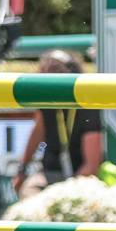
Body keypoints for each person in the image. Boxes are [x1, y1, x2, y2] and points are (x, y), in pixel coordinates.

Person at [16, 49, 105, 191]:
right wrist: (22, 169)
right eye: (45, 75)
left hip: (81, 179)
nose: (50, 80)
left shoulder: (88, 107)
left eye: (56, 72)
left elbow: (92, 165)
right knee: (29, 191)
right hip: (49, 173)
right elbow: (37, 133)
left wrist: (66, 192)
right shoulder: (46, 104)